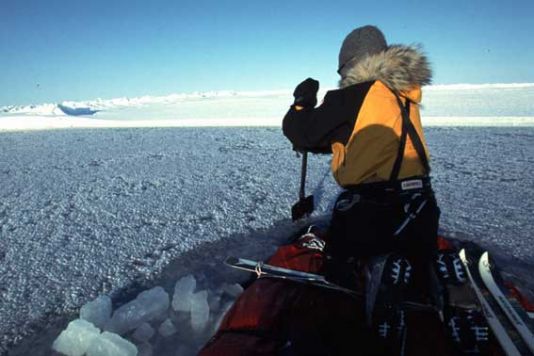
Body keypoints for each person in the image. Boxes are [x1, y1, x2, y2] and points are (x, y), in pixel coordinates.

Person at [282, 25, 440, 288]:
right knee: (416, 278)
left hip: (373, 211)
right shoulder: (402, 95)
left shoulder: (354, 96)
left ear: (352, 63)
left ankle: (363, 293)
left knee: (343, 277)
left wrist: (301, 101)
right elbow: (359, 141)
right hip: (420, 206)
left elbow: (303, 133)